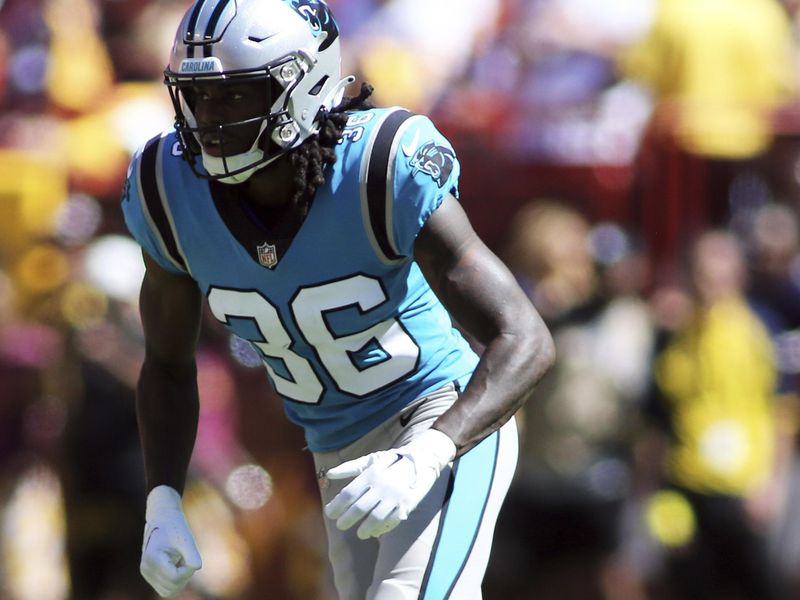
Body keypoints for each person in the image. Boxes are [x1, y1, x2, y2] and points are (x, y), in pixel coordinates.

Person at [119, 0, 555, 598]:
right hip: (336, 451)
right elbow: (167, 364)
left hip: (438, 417)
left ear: (306, 85)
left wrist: (431, 450)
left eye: (235, 95)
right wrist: (161, 497)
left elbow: (524, 338)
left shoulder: (379, 166)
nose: (208, 119)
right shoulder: (164, 188)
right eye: (197, 97)